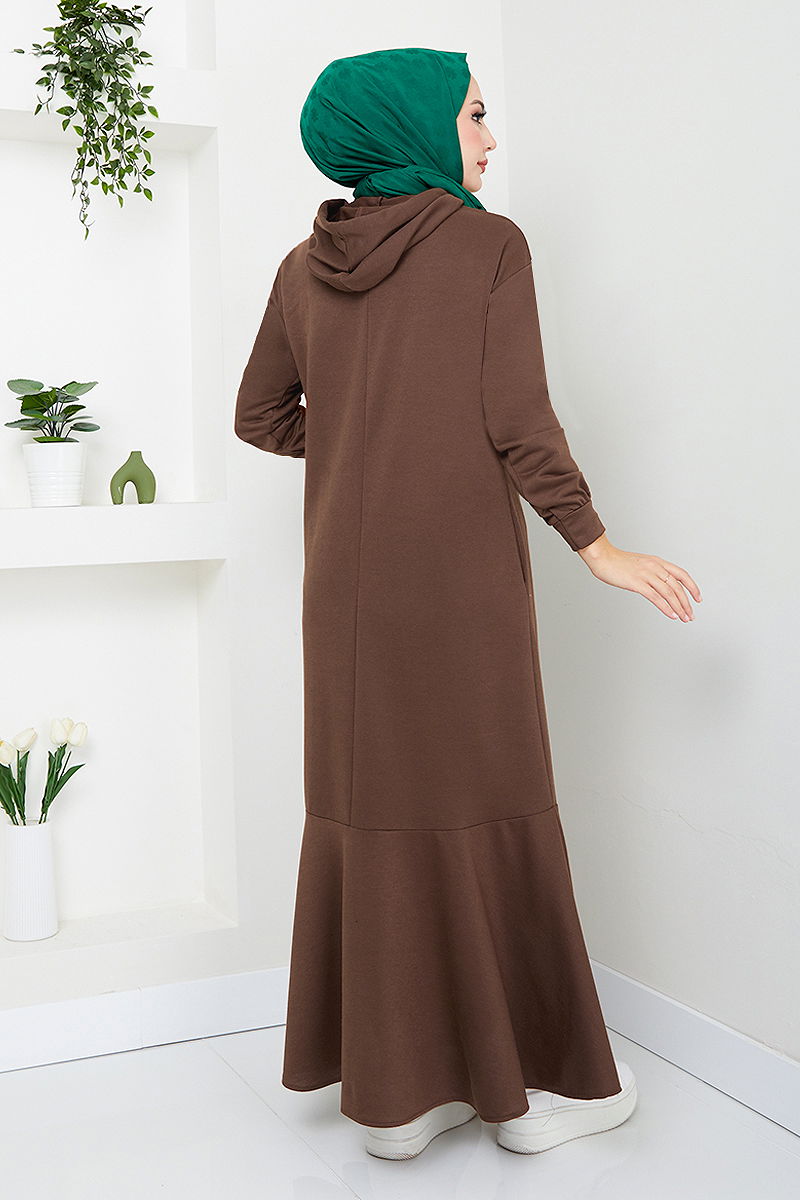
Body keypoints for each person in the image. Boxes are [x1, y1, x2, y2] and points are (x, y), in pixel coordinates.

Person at [234, 47, 701, 1160]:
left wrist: (364, 438)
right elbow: (518, 422)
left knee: (378, 811)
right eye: (475, 114)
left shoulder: (303, 265)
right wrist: (595, 545)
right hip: (457, 589)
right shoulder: (489, 245)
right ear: (412, 124)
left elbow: (261, 415)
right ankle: (533, 1095)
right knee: (488, 802)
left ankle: (401, 1101)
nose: (490, 138)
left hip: (341, 597)